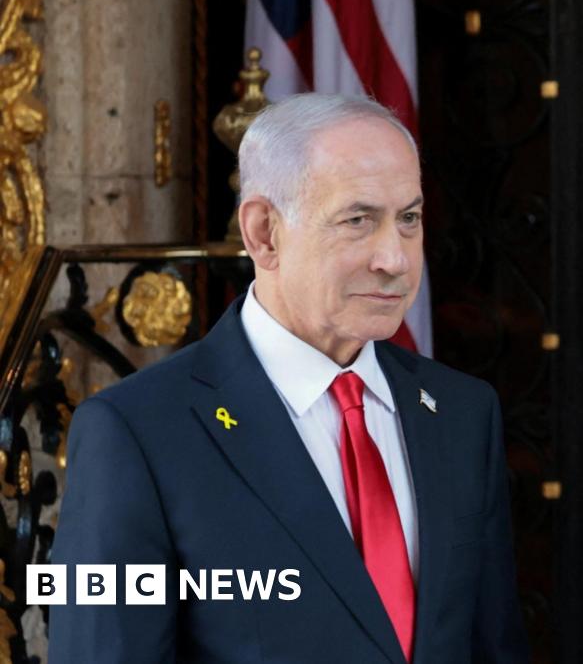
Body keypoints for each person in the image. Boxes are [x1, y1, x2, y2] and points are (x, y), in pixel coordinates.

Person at [51, 94, 529, 663]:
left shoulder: (462, 412)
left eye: (408, 219)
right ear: (264, 233)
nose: (395, 259)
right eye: (358, 220)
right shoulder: (138, 434)